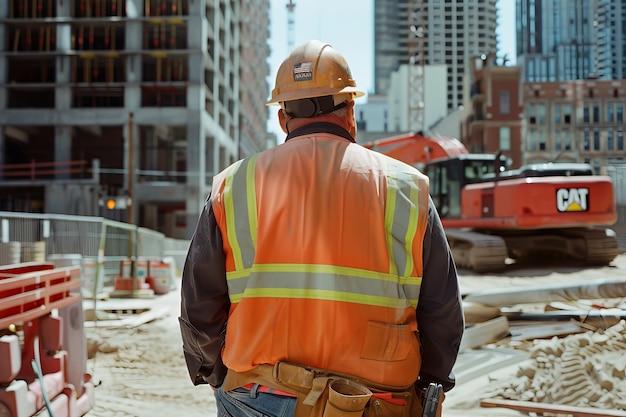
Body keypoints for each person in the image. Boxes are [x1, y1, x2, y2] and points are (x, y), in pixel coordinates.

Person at [179, 39, 464, 417]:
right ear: (350, 110)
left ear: (282, 118)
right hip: (377, 401)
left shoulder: (234, 185)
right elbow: (442, 312)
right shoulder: (409, 188)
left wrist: (216, 374)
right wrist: (428, 386)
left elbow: (199, 304)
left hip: (260, 395)